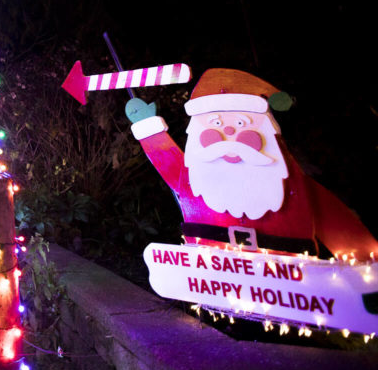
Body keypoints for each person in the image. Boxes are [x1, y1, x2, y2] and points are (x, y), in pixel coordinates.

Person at [126, 68, 378, 260]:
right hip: (211, 275)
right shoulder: (196, 175)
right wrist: (151, 132)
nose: (229, 136)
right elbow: (168, 162)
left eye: (241, 126)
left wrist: (367, 265)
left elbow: (333, 220)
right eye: (216, 126)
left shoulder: (289, 181)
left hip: (289, 283)